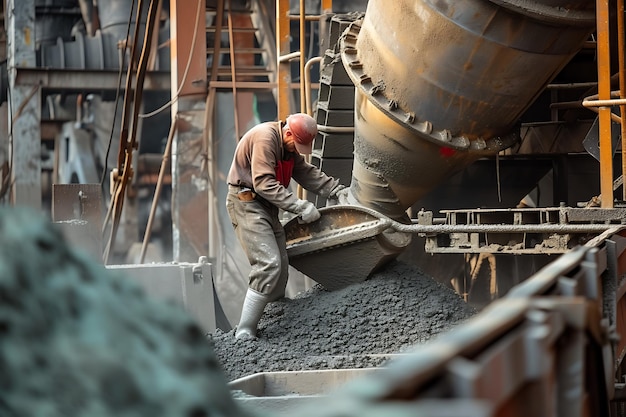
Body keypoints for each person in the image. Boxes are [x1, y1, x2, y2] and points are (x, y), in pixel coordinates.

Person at [226, 113, 347, 339]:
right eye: (297, 143)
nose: (297, 149)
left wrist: (335, 190)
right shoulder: (265, 139)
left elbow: (304, 172)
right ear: (288, 132)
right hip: (247, 203)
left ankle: (274, 318)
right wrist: (299, 206)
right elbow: (263, 183)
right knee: (269, 263)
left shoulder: (287, 146)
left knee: (280, 266)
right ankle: (245, 331)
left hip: (267, 206)